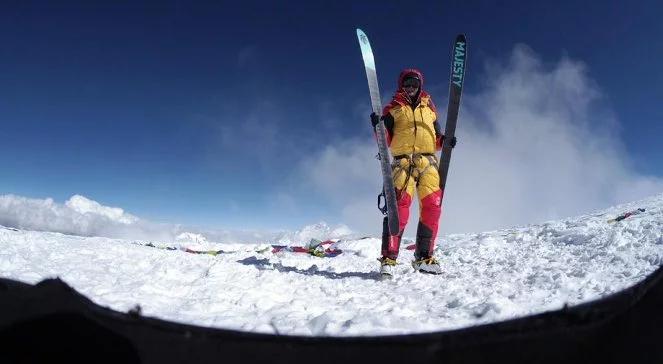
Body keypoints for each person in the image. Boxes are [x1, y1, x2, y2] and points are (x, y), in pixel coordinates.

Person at [370, 68, 456, 276]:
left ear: (420, 86)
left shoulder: (429, 110)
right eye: (406, 84)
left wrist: (445, 142)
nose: (410, 88)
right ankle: (389, 259)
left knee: (433, 208)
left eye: (414, 84)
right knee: (398, 210)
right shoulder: (393, 109)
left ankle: (423, 257)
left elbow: (435, 139)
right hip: (402, 164)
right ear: (401, 86)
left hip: (428, 163)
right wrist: (378, 128)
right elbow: (386, 140)